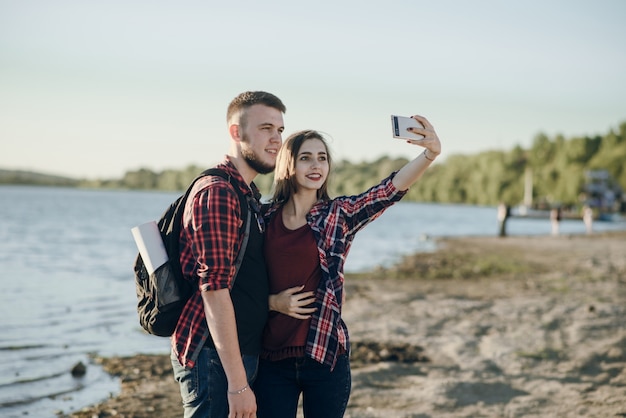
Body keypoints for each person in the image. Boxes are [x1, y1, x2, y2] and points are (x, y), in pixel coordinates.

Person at [253, 116, 441, 418]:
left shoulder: (337, 215)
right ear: (288, 165)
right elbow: (240, 282)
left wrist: (429, 154)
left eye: (322, 159)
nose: (316, 166)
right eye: (306, 158)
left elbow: (387, 192)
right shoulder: (262, 218)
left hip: (325, 355)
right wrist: (272, 302)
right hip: (271, 357)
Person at [169, 90, 286, 418]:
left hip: (237, 354)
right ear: (237, 133)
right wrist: (237, 384)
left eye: (280, 130)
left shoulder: (246, 193)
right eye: (265, 128)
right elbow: (215, 291)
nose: (276, 139)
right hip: (213, 358)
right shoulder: (219, 193)